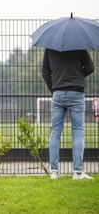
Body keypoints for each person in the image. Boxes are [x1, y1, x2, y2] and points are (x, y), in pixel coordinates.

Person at [42, 49, 94, 180]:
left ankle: (54, 172)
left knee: (55, 132)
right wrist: (79, 75)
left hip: (58, 92)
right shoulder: (80, 45)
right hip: (76, 91)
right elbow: (90, 68)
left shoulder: (50, 48)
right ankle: (77, 173)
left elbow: (45, 72)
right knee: (78, 131)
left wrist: (53, 89)